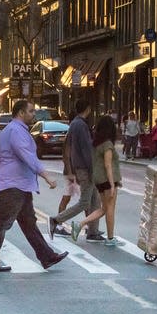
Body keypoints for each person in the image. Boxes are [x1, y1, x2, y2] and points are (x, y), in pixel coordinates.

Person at [0, 100, 67, 273]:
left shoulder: (15, 130)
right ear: (20, 113)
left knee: (29, 223)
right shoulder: (15, 131)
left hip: (19, 184)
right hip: (13, 185)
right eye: (31, 111)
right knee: (3, 222)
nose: (34, 114)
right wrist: (46, 176)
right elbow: (26, 155)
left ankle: (47, 256)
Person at [48, 100, 102, 242]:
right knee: (85, 202)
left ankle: (93, 231)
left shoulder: (75, 124)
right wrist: (92, 170)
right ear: (88, 109)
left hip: (81, 167)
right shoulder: (80, 125)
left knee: (95, 200)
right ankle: (56, 220)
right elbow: (86, 150)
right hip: (85, 168)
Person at [71, 115, 123, 246]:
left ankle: (80, 224)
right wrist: (112, 184)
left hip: (99, 180)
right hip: (107, 180)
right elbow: (108, 165)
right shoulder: (107, 144)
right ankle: (110, 238)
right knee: (110, 209)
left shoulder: (96, 143)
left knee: (103, 208)